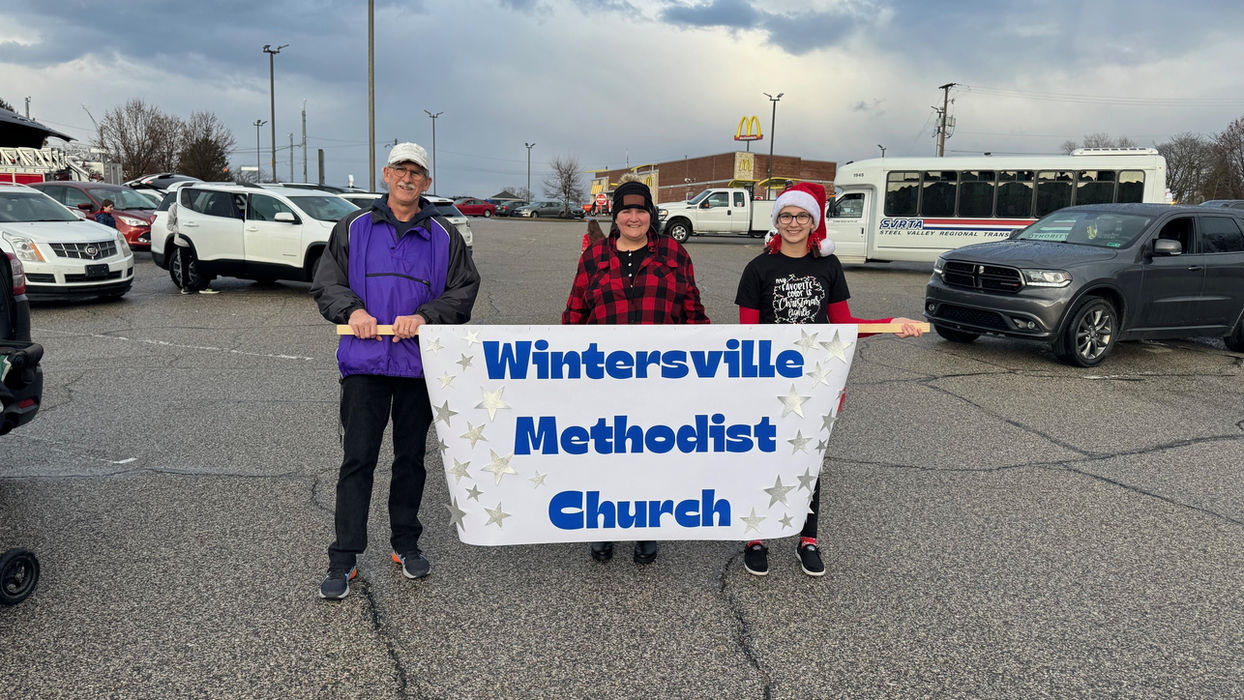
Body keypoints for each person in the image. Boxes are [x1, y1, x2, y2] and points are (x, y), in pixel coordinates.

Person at [311, 142, 481, 600]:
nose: (408, 179)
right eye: (400, 170)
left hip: (418, 365)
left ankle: (405, 544)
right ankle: (343, 558)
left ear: (427, 183)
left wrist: (427, 315)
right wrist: (353, 310)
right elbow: (327, 282)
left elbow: (464, 290)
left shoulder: (444, 235)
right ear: (386, 175)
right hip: (365, 363)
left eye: (417, 173)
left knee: (410, 461)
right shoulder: (355, 227)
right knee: (358, 460)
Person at [734, 181, 923, 578]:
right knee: (763, 457)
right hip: (770, 382)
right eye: (786, 215)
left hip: (816, 382)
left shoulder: (828, 267)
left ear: (814, 221)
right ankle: (756, 537)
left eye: (802, 216)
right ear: (776, 221)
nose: (793, 223)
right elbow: (746, 337)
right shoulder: (757, 269)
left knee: (808, 458)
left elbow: (844, 325)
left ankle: (808, 539)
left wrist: (890, 325)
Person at [562, 178, 709, 565]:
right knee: (607, 451)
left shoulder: (675, 254)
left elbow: (693, 313)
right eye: (625, 210)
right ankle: (605, 524)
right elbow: (575, 314)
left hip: (661, 377)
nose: (633, 217)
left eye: (641, 210)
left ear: (651, 215)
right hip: (604, 377)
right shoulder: (594, 257)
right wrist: (562, 364)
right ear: (615, 216)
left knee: (650, 452)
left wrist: (708, 363)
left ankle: (646, 525)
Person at [167, 196, 219, 295]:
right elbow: (169, 225)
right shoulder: (174, 208)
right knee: (184, 264)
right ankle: (185, 286)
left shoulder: (194, 206)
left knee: (199, 263)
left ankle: (203, 285)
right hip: (183, 241)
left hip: (196, 241)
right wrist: (181, 230)